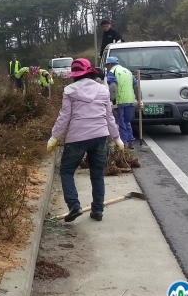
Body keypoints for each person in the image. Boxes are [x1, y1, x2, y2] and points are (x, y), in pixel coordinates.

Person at [47, 58, 123, 223]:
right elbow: (109, 117)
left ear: (74, 75)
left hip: (77, 138)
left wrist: (54, 137)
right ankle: (97, 211)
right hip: (100, 137)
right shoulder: (103, 90)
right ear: (90, 72)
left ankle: (74, 206)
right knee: (97, 174)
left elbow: (64, 117)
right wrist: (117, 138)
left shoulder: (69, 91)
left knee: (66, 171)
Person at [105, 57, 139, 150]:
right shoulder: (127, 71)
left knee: (120, 122)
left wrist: (111, 99)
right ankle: (130, 140)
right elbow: (136, 85)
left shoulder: (112, 72)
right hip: (130, 100)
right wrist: (139, 99)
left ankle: (124, 142)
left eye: (107, 65)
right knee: (127, 121)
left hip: (119, 101)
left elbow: (112, 86)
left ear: (110, 64)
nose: (106, 67)